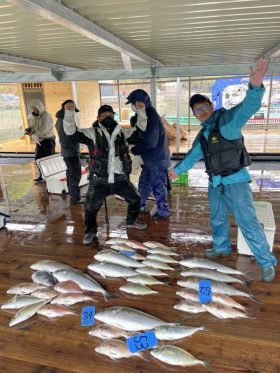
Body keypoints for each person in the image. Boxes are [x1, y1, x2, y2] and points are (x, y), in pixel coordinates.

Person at [169, 59, 277, 283]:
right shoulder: (204, 134)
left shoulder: (228, 120)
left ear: (211, 104)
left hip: (236, 181)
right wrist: (177, 171)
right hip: (214, 183)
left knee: (247, 221)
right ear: (194, 114)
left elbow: (248, 107)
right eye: (196, 110)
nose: (201, 111)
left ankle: (266, 261)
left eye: (203, 106)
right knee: (217, 218)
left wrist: (255, 87)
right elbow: (192, 156)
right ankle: (222, 248)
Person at [63, 103, 147, 245]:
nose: (108, 117)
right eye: (104, 115)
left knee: (136, 199)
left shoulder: (123, 132)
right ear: (98, 117)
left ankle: (131, 220)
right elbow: (71, 133)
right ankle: (90, 231)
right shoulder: (91, 133)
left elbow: (140, 130)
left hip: (120, 178)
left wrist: (141, 111)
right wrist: (69, 113)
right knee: (90, 208)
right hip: (99, 180)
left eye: (110, 115)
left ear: (114, 116)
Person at [126, 89, 171, 218]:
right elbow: (139, 134)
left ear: (140, 103)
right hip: (149, 159)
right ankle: (140, 204)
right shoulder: (141, 116)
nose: (132, 107)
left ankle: (163, 211)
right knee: (144, 182)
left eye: (133, 104)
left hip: (156, 159)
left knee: (158, 185)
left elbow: (150, 141)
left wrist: (135, 149)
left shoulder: (150, 115)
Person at [55, 99, 84, 205]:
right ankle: (75, 198)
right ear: (64, 108)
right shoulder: (63, 120)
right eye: (70, 108)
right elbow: (65, 138)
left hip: (67, 151)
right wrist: (76, 145)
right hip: (70, 152)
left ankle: (73, 195)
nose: (72, 110)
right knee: (74, 175)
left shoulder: (62, 118)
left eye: (73, 108)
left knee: (70, 174)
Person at [24, 99, 55, 182]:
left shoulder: (46, 116)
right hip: (39, 140)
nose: (33, 110)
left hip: (48, 140)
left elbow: (45, 129)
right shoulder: (35, 116)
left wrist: (33, 132)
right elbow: (35, 125)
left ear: (39, 107)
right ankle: (42, 175)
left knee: (49, 158)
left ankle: (51, 176)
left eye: (34, 108)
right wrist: (29, 128)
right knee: (38, 158)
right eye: (33, 108)